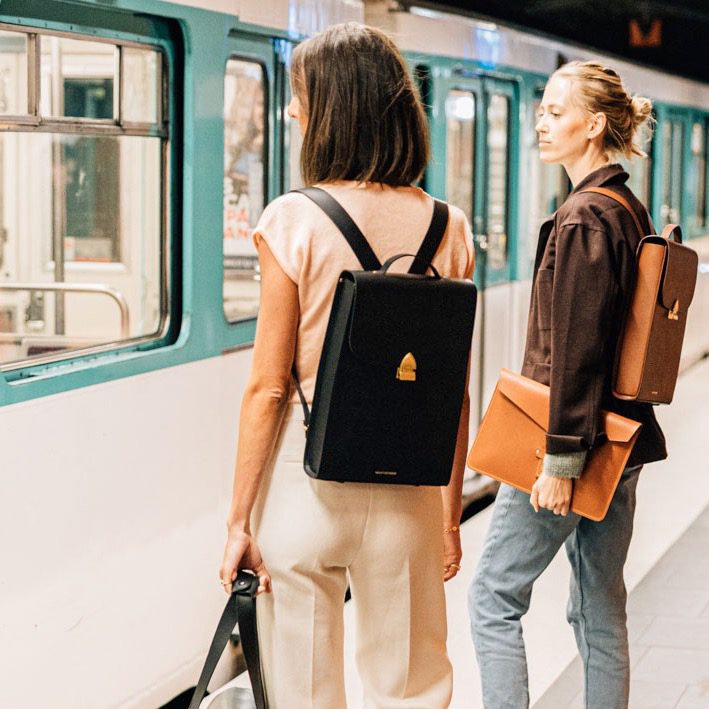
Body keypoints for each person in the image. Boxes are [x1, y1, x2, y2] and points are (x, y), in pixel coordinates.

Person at [219, 23, 475, 708]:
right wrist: (449, 513)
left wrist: (239, 520)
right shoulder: (448, 227)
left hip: (305, 490)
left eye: (299, 95)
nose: (290, 110)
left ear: (333, 107)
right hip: (410, 499)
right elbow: (454, 393)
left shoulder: (292, 220)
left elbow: (269, 387)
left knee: (302, 691)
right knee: (413, 689)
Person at [469, 60, 667, 709]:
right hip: (620, 438)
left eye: (556, 111)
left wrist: (558, 459)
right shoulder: (625, 206)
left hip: (568, 441)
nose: (541, 120)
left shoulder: (583, 216)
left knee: (492, 596)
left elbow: (575, 350)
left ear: (596, 125)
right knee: (598, 606)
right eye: (542, 109)